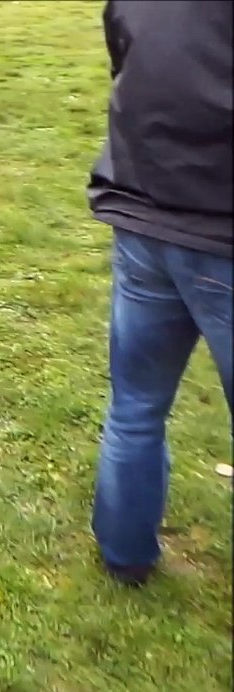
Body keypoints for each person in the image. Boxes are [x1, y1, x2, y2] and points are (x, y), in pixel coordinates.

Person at [88, 0, 233, 586]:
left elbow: (125, 60)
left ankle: (124, 555)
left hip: (146, 214)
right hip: (194, 223)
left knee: (135, 406)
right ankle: (125, 554)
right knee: (136, 405)